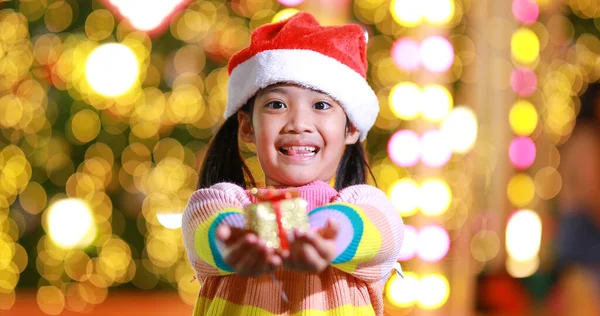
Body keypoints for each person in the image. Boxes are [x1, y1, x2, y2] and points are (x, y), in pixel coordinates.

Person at [181, 12, 404, 316]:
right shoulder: (222, 203)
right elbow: (208, 231)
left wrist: (322, 237)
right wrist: (245, 240)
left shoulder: (365, 206)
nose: (299, 123)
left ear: (350, 128)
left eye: (321, 105)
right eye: (277, 104)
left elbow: (379, 232)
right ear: (246, 127)